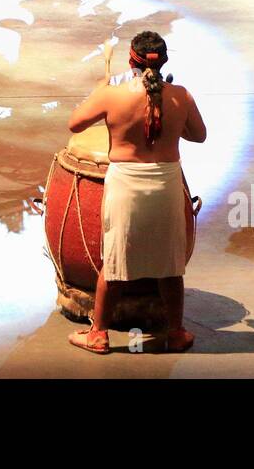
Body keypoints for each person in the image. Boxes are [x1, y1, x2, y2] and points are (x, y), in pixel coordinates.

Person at [66, 31, 205, 354]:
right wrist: (176, 122)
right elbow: (199, 136)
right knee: (170, 261)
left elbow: (75, 124)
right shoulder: (181, 95)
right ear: (165, 61)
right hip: (166, 183)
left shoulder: (112, 96)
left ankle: (98, 334)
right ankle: (175, 332)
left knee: (116, 260)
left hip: (125, 184)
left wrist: (97, 93)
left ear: (131, 61)